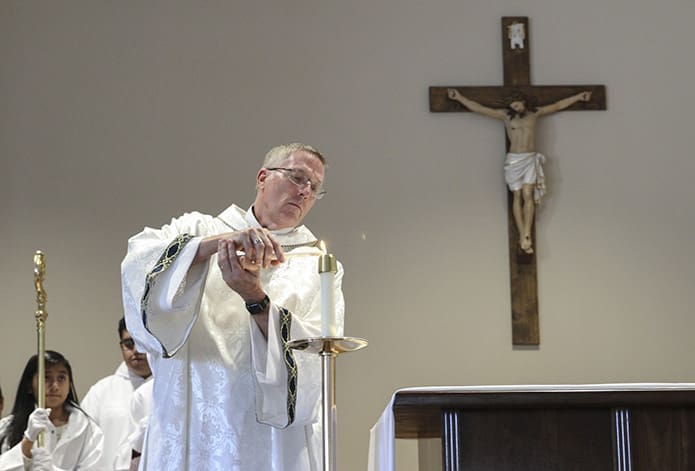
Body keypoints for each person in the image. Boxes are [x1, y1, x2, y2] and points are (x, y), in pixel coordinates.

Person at [121, 142, 345, 470]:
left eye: (314, 187)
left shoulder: (317, 266)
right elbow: (138, 263)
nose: (305, 192)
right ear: (262, 177)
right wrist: (215, 246)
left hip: (268, 440)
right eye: (298, 178)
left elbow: (314, 360)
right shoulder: (198, 229)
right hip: (192, 425)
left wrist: (255, 297)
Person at [447, 88, 592, 254]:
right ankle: (522, 232)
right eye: (512, 106)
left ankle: (526, 234)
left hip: (529, 158)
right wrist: (459, 97)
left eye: (517, 104)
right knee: (517, 196)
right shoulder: (505, 116)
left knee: (528, 194)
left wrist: (579, 97)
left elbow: (557, 105)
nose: (516, 108)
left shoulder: (535, 113)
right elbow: (479, 108)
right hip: (514, 160)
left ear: (523, 102)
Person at [0, 350, 104, 470]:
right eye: (46, 377)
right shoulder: (7, 427)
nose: (55, 386)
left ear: (69, 385)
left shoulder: (88, 429)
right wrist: (27, 442)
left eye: (61, 378)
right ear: (29, 385)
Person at [81, 317, 152, 470]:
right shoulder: (101, 392)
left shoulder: (170, 391)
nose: (136, 350)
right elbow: (83, 445)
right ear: (121, 346)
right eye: (128, 343)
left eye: (142, 342)